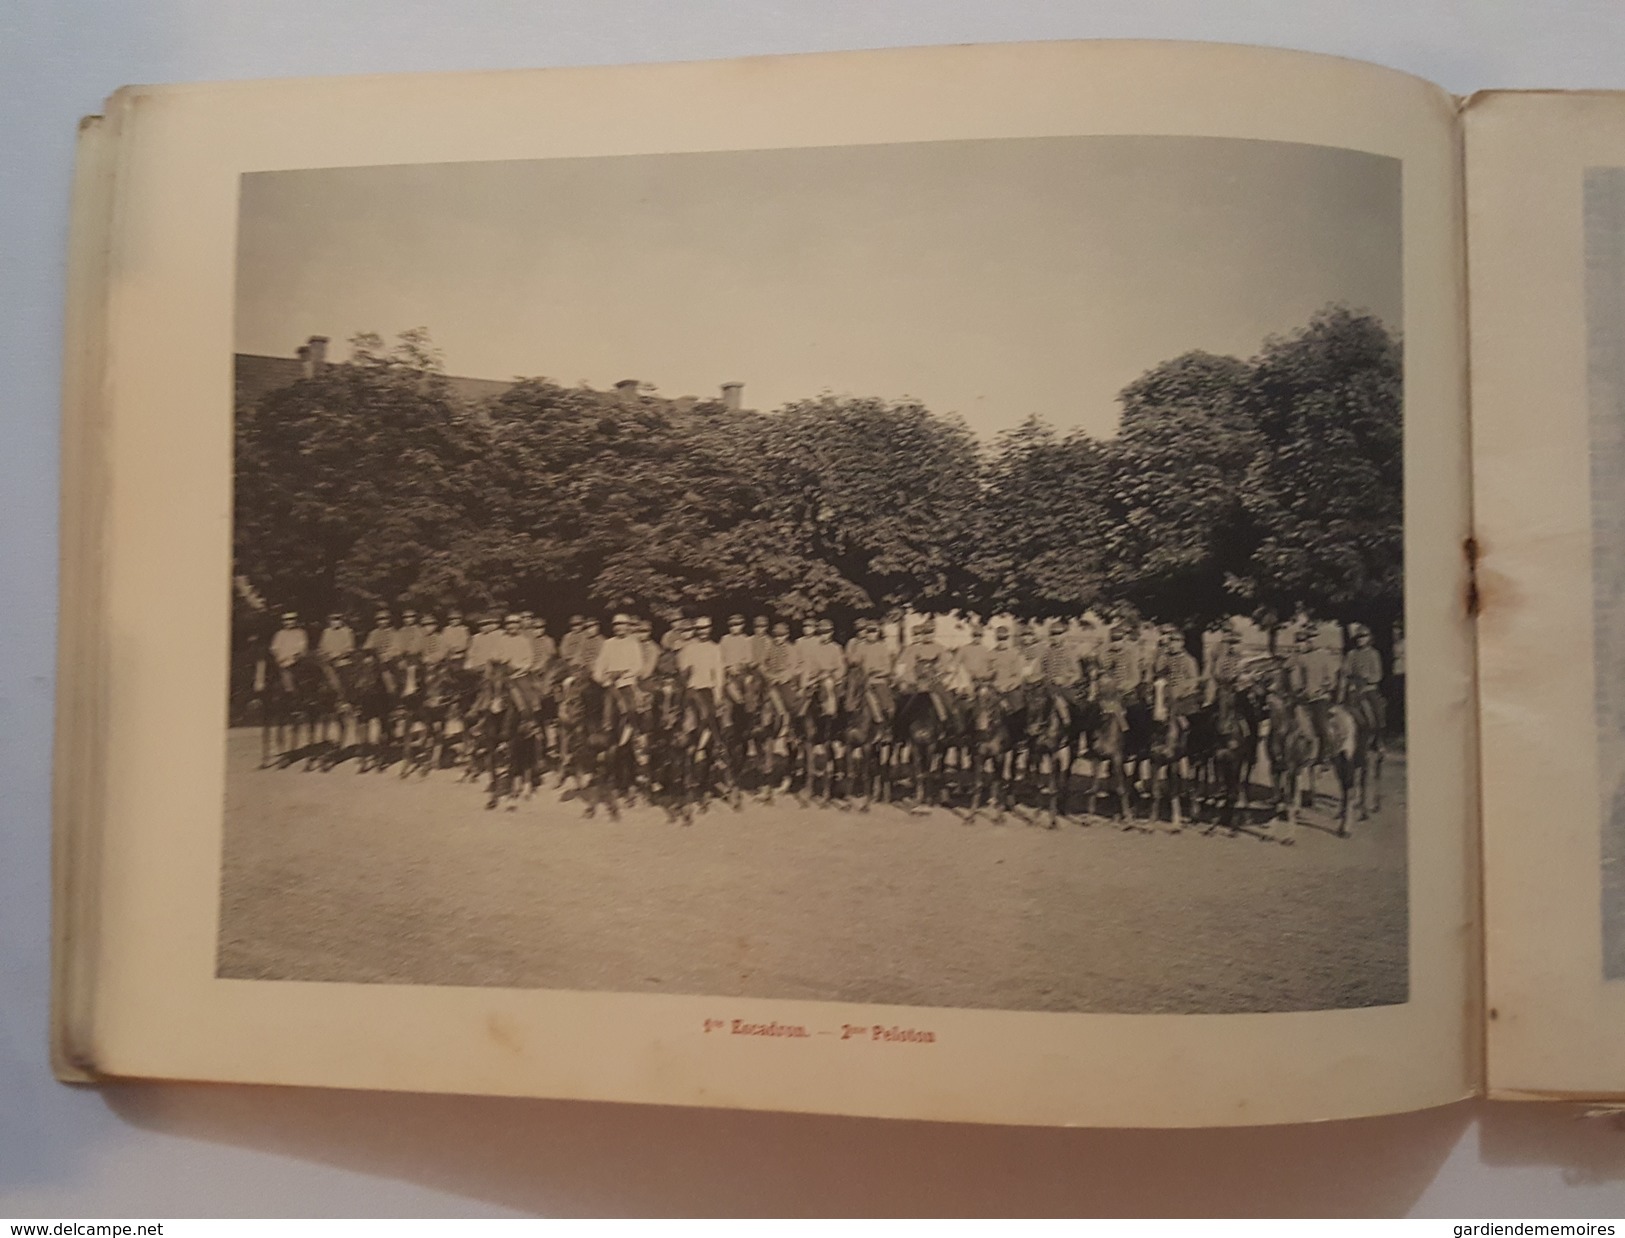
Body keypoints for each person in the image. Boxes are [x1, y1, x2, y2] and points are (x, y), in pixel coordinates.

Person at [1289, 623, 1342, 759]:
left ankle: (1325, 755)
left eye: (1314, 637)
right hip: (1304, 698)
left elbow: (1331, 678)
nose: (1310, 641)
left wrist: (1323, 689)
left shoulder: (1325, 656)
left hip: (1320, 697)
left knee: (1321, 724)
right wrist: (1298, 690)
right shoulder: (1301, 658)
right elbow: (1296, 677)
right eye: (1308, 638)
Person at [1340, 622, 1387, 735]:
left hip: (1369, 687)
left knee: (1378, 710)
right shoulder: (1352, 654)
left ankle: (1378, 739)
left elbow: (1377, 674)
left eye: (1363, 636)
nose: (1360, 639)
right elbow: (1346, 671)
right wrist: (1350, 678)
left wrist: (1368, 677)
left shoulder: (1374, 654)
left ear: (1369, 638)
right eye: (1358, 637)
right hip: (1355, 687)